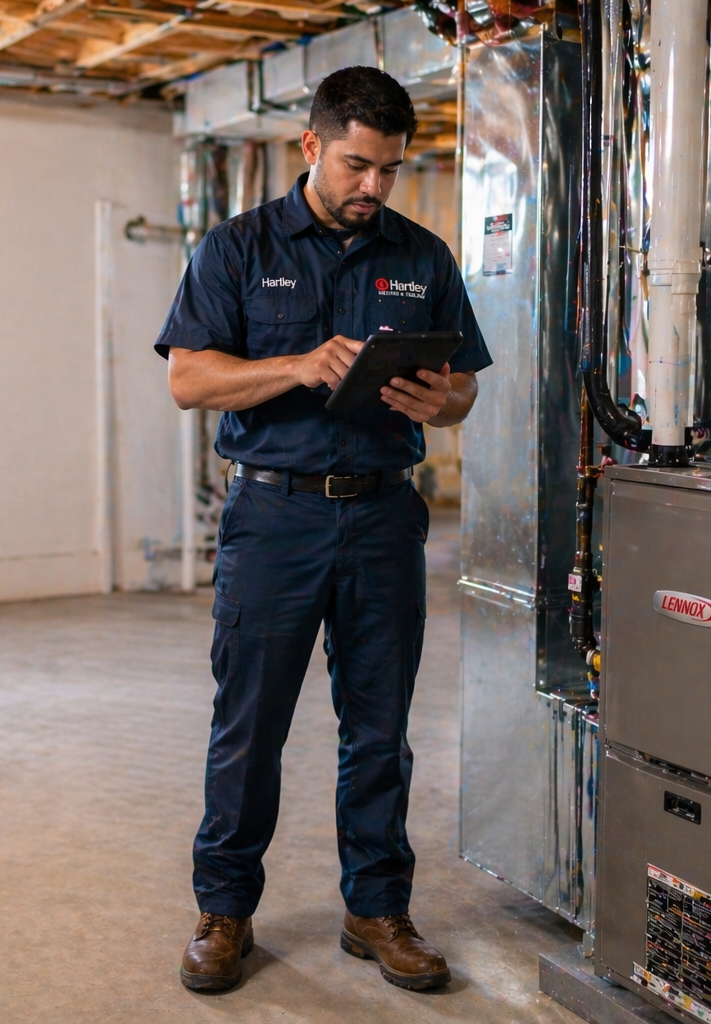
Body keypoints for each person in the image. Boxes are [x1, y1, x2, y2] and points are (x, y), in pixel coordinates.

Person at [154, 65, 491, 994]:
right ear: (310, 147)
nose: (373, 187)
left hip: (385, 515)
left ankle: (374, 908)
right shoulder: (237, 245)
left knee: (379, 729)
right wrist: (298, 365)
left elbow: (462, 391)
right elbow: (189, 380)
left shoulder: (422, 256)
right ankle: (224, 911)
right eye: (355, 165)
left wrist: (442, 395)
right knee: (249, 724)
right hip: (274, 515)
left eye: (388, 169)